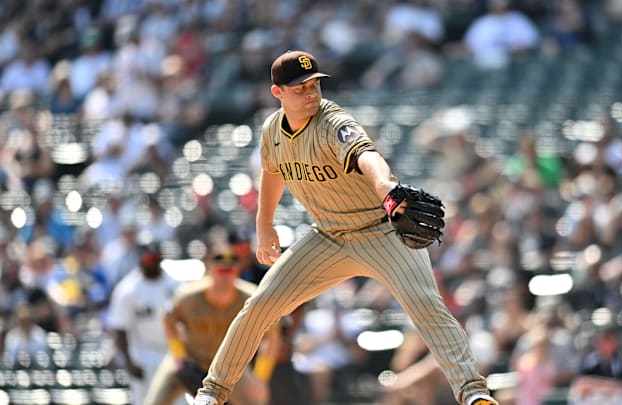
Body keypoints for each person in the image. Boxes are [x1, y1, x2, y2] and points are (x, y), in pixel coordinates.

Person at [191, 50, 498, 405]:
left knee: (426, 305)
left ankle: (474, 394)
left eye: (315, 84)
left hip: (380, 231)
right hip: (328, 236)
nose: (311, 92)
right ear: (278, 93)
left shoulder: (333, 120)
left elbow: (368, 155)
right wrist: (264, 225)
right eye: (300, 87)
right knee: (261, 304)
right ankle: (211, 394)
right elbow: (272, 172)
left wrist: (385, 188)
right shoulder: (272, 130)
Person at [145, 247, 279, 405]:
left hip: (229, 365)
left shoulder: (251, 299)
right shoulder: (189, 296)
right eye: (220, 271)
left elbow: (272, 338)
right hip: (191, 358)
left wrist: (260, 377)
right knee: (154, 402)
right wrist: (179, 356)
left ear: (237, 271)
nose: (225, 277)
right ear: (210, 271)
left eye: (229, 271)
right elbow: (168, 320)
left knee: (256, 399)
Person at [107, 243, 180, 405]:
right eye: (147, 258)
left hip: (173, 352)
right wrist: (129, 362)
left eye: (153, 258)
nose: (150, 262)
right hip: (144, 354)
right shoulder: (128, 289)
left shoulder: (175, 284)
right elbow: (119, 329)